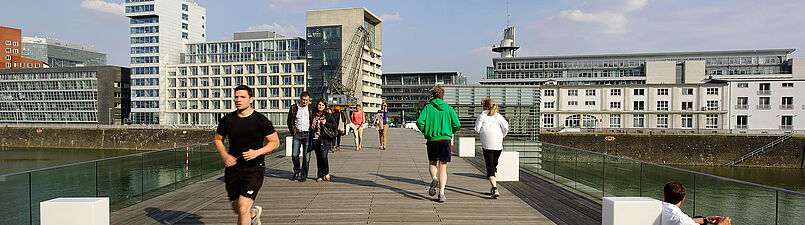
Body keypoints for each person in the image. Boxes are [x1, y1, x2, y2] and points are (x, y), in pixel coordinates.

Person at [214, 85, 280, 225]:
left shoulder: (261, 121)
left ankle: (249, 213)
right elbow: (218, 139)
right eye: (236, 97)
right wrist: (225, 155)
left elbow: (274, 142)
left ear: (251, 99)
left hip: (254, 168)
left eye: (242, 97)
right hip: (233, 169)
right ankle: (253, 214)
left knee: (243, 206)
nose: (238, 100)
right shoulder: (227, 120)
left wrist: (257, 152)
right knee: (237, 208)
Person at [416, 87, 460, 202]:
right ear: (443, 95)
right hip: (445, 139)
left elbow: (419, 122)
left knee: (432, 162)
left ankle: (434, 178)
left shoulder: (428, 107)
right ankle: (442, 193)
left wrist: (426, 131)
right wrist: (450, 132)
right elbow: (457, 124)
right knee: (443, 166)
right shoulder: (449, 108)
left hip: (432, 139)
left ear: (433, 96)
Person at [474, 98, 509, 199]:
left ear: (484, 106)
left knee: (490, 168)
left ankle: (494, 188)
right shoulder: (498, 116)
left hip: (487, 144)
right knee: (494, 164)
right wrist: (502, 135)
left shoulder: (482, 116)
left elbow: (477, 129)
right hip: (498, 144)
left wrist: (482, 136)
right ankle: (493, 181)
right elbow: (506, 127)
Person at [662, 182, 732, 225]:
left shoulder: (660, 208)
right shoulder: (680, 218)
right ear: (683, 199)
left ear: (664, 195)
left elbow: (684, 221)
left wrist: (705, 220)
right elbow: (682, 221)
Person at [286, 91, 313, 182]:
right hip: (297, 134)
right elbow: (289, 121)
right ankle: (297, 171)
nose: (305, 102)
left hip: (307, 134)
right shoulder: (294, 107)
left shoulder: (310, 108)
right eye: (303, 100)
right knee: (294, 154)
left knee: (306, 156)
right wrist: (292, 131)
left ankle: (304, 175)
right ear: (300, 99)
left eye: (307, 100)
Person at [311, 101, 337, 182]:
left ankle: (326, 172)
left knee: (324, 156)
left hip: (325, 139)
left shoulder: (328, 116)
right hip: (315, 138)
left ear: (325, 106)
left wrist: (326, 123)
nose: (320, 106)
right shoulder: (314, 115)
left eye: (322, 105)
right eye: (319, 104)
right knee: (318, 158)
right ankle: (320, 175)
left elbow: (334, 125)